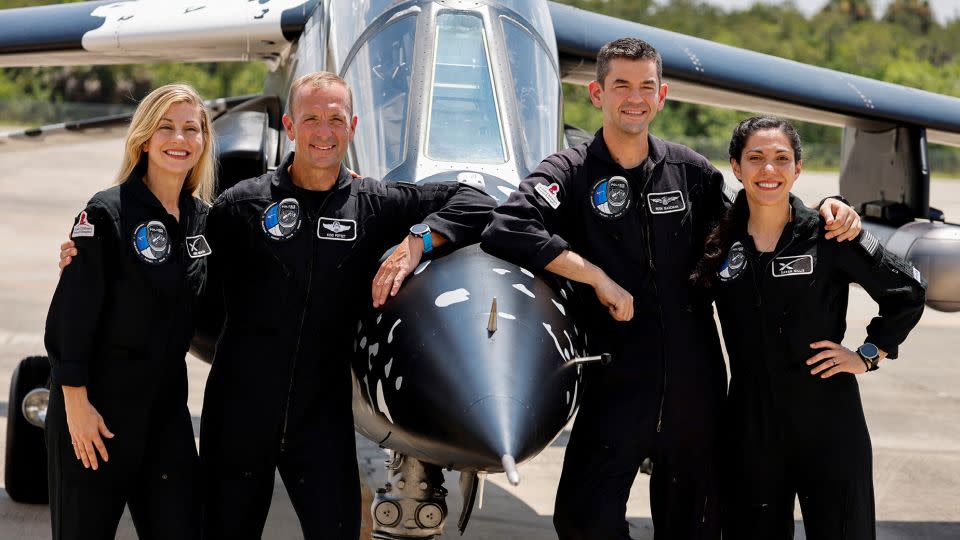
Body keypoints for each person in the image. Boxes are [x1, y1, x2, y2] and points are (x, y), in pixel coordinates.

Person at [480, 38, 862, 539]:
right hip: (615, 382)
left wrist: (830, 206)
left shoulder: (691, 173)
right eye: (621, 85)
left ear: (662, 96)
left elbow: (758, 217)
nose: (634, 98)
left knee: (696, 526)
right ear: (597, 93)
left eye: (646, 86)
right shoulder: (569, 173)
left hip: (695, 387)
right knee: (582, 519)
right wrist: (595, 277)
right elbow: (507, 227)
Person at [197, 71, 492, 539]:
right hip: (238, 417)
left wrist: (417, 240)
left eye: (335, 119)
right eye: (311, 118)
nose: (324, 132)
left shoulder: (375, 204)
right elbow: (180, 267)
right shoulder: (242, 206)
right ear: (290, 127)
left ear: (352, 126)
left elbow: (475, 202)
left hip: (321, 421)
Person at [690, 116, 926, 539]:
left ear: (797, 169)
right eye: (756, 158)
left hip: (828, 421)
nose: (769, 170)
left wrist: (868, 355)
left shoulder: (830, 233)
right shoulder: (718, 244)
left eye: (781, 159)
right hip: (750, 423)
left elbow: (907, 290)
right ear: (736, 167)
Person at [44, 83, 215, 540]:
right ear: (144, 137)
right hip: (97, 409)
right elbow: (71, 318)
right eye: (166, 128)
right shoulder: (107, 213)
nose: (179, 139)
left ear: (203, 141)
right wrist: (76, 405)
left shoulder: (203, 220)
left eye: (190, 129)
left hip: (165, 413)